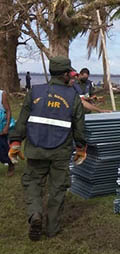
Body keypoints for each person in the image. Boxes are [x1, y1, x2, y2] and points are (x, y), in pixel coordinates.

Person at [8, 56, 86, 241]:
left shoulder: (35, 92)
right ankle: (52, 228)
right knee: (57, 188)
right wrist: (81, 147)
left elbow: (22, 121)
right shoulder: (72, 97)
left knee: (33, 183)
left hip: (36, 148)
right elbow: (79, 126)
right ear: (66, 75)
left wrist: (15, 142)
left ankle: (35, 214)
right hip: (60, 151)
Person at [0, 87, 15, 176]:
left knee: (3, 149)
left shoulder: (2, 94)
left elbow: (8, 110)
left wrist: (6, 127)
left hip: (1, 126)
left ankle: (10, 164)